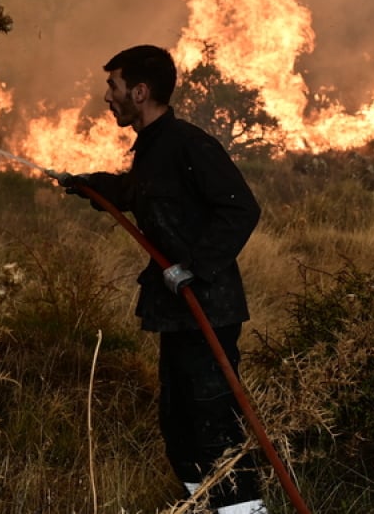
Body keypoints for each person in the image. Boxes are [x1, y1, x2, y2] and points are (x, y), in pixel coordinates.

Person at [58, 45, 268, 514]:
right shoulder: (153, 148)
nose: (107, 97)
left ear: (140, 90)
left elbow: (241, 208)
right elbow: (134, 193)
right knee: (180, 427)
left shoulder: (188, 144)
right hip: (180, 313)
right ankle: (209, 508)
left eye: (113, 86)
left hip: (207, 309)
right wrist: (84, 183)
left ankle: (245, 512)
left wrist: (193, 266)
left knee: (214, 425)